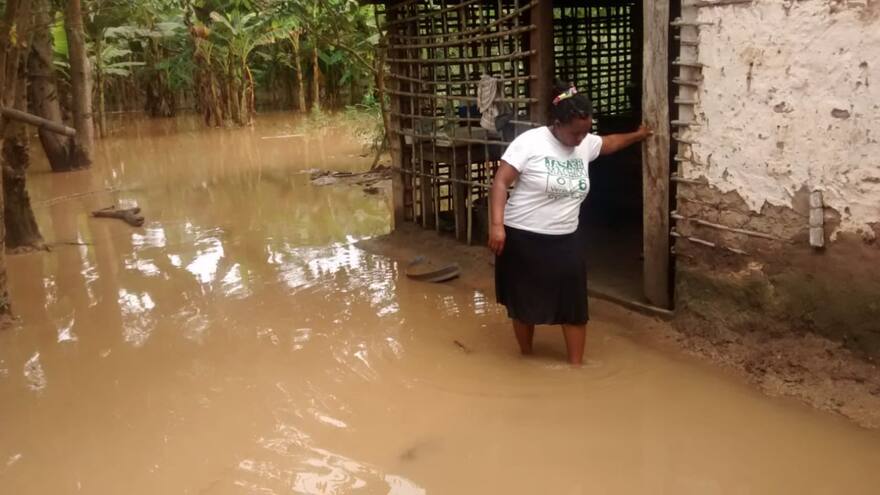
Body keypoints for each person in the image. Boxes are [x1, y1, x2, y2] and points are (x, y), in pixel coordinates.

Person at [488, 82, 652, 365]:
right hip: (522, 236)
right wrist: (497, 225)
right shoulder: (530, 142)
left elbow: (610, 143)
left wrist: (638, 135)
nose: (580, 138)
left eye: (585, 132)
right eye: (575, 132)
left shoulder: (585, 143)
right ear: (557, 124)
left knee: (574, 306)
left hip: (565, 237)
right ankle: (526, 359)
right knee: (524, 304)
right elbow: (501, 182)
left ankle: (577, 366)